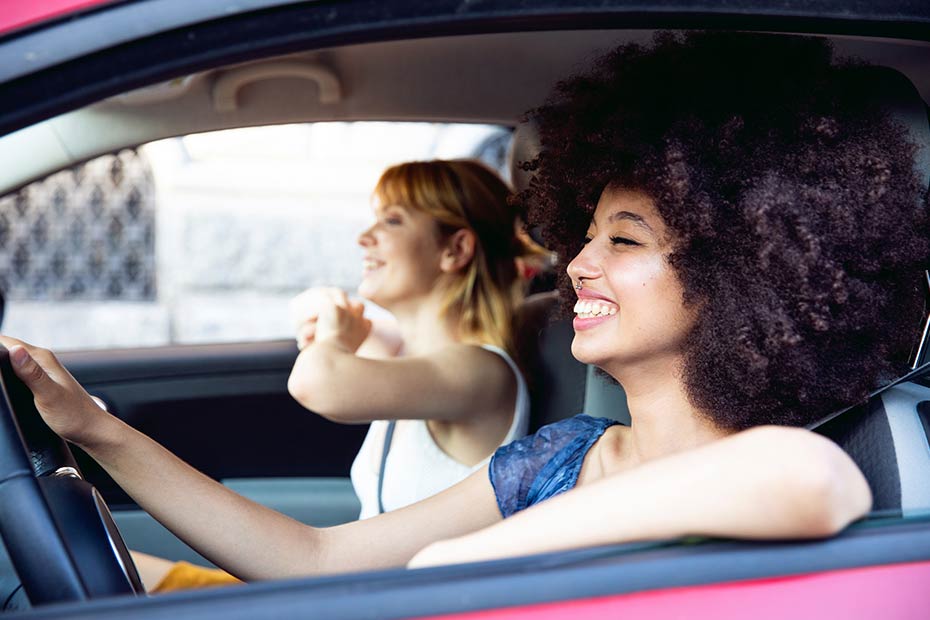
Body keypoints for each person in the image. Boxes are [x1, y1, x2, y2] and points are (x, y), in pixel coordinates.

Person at [1, 31, 922, 579]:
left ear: (741, 271)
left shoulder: (802, 458)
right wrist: (96, 430)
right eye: (586, 232)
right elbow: (314, 562)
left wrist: (458, 570)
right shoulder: (559, 456)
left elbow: (808, 482)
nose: (577, 264)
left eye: (625, 239)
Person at [286, 160, 533, 519]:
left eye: (392, 220)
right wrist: (327, 326)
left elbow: (315, 382)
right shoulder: (405, 352)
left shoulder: (480, 371)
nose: (364, 237)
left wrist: (334, 338)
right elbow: (312, 313)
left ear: (455, 250)